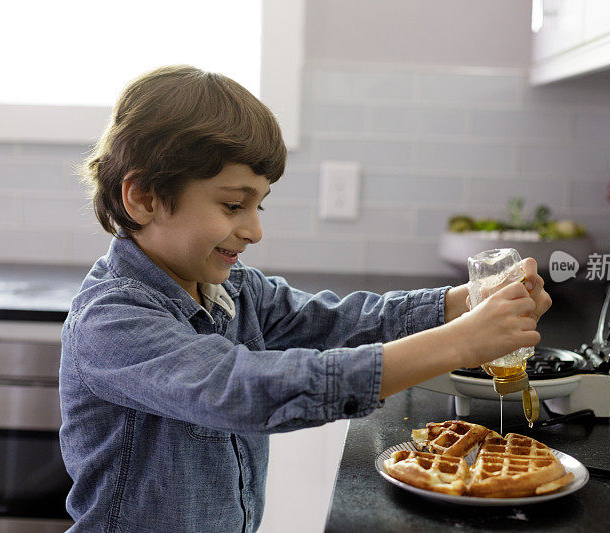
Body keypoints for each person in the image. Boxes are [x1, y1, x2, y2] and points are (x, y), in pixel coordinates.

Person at [59, 65, 552, 532]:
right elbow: (247, 390)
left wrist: (461, 303)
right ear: (143, 198)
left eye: (258, 204)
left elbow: (338, 322)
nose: (254, 229)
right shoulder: (111, 322)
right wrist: (459, 344)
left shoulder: (232, 291)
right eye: (234, 205)